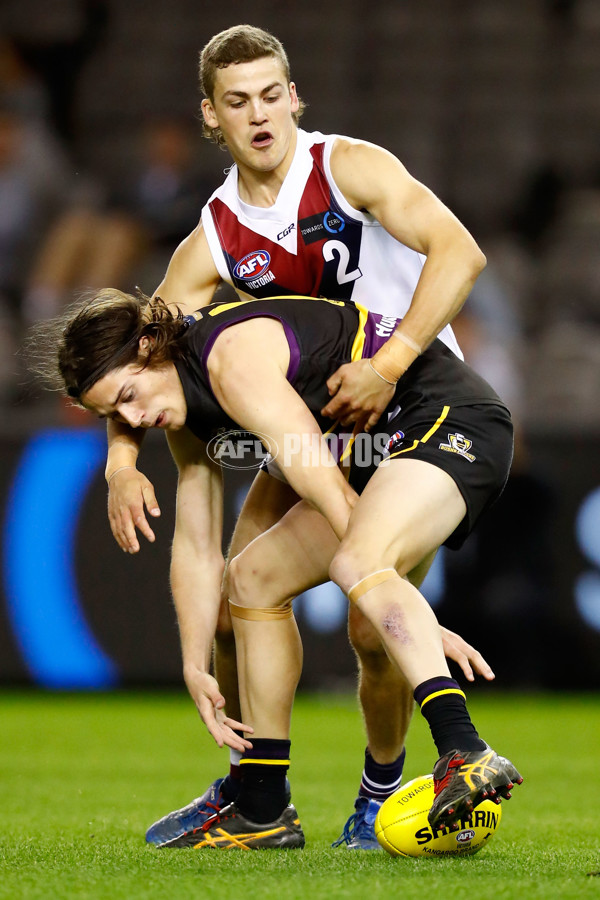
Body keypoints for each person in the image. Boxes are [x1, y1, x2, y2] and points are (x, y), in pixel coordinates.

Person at [100, 24, 504, 849]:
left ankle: (379, 789)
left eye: (271, 94)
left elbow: (460, 254)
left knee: (367, 625)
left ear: (295, 96)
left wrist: (388, 365)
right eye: (237, 101)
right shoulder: (213, 236)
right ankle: (260, 793)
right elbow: (135, 351)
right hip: (310, 433)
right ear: (211, 116)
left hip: (409, 407)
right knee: (229, 600)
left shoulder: (347, 167)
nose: (260, 116)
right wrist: (117, 460)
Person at [42, 288, 522, 850]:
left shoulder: (231, 360)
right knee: (251, 577)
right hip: (374, 449)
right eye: (114, 415)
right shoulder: (185, 405)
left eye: (129, 395)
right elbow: (197, 546)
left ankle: (464, 750)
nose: (133, 418)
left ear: (149, 346)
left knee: (359, 561)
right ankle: (264, 807)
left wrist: (399, 601)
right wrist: (195, 663)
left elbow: (322, 485)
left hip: (445, 419)